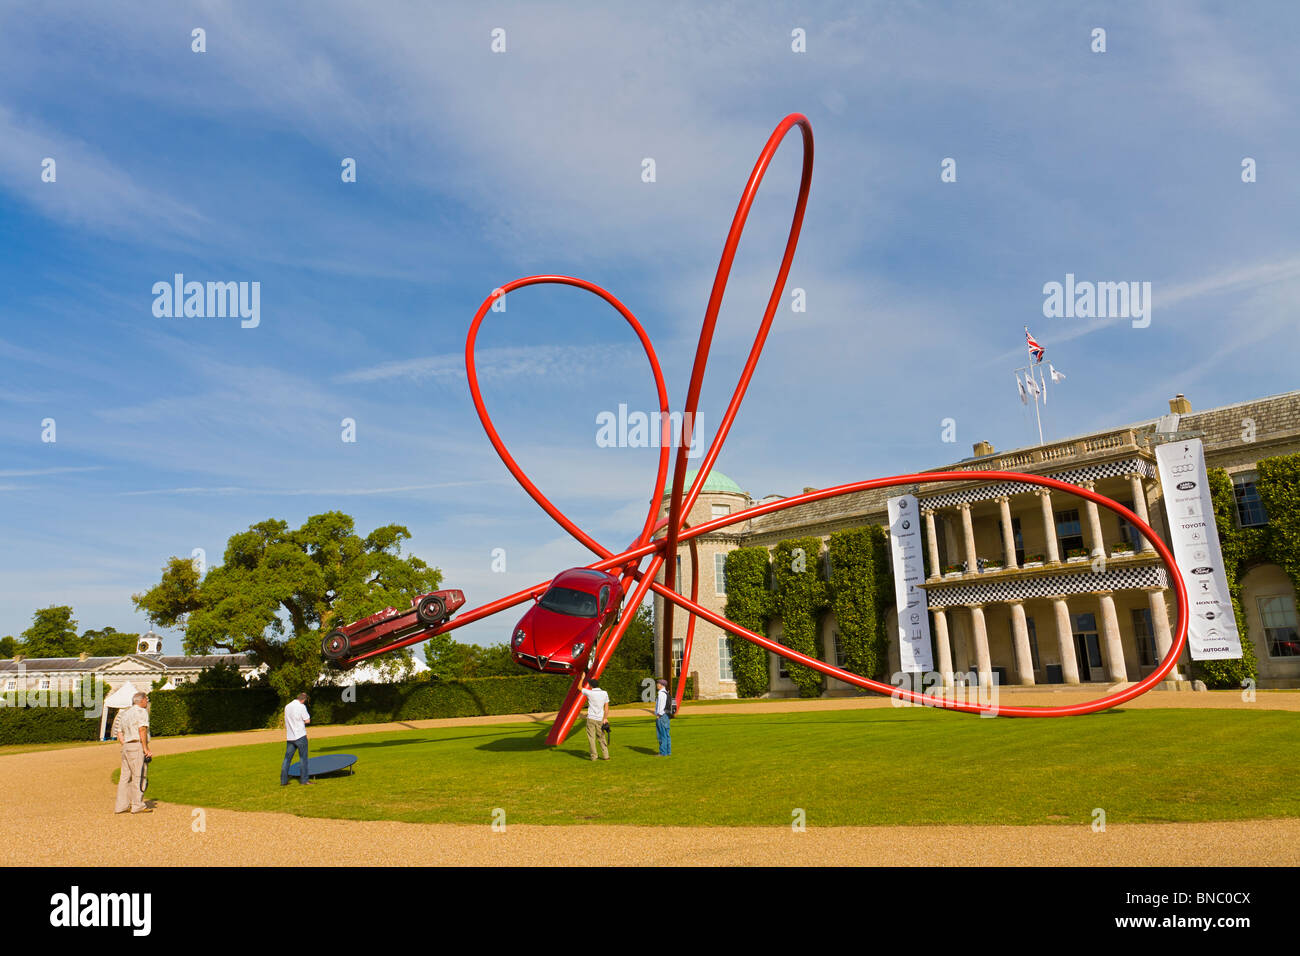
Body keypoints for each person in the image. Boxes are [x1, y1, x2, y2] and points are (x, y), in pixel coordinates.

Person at [114, 691, 153, 813]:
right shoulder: (142, 712)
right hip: (136, 745)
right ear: (141, 700)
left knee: (124, 777)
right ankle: (138, 805)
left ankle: (121, 805)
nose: (147, 701)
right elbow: (142, 729)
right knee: (139, 776)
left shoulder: (125, 713)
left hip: (126, 746)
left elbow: (119, 733)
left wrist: (125, 744)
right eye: (146, 699)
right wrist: (145, 748)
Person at [280, 693, 313, 786]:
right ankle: (304, 780)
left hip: (290, 736)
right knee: (303, 759)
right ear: (304, 700)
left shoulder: (287, 706)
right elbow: (307, 720)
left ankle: (283, 781)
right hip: (300, 735)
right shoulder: (301, 707)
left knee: (287, 759)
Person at [578, 678, 610, 761]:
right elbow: (606, 708)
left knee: (591, 738)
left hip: (591, 718)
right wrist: (605, 718)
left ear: (590, 685)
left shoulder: (590, 692)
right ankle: (606, 756)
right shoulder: (604, 693)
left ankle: (594, 756)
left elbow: (579, 687)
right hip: (600, 719)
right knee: (601, 737)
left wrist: (582, 678)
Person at [654, 679, 671, 756]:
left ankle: (663, 752)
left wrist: (658, 715)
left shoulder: (661, 694)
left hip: (662, 716)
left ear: (662, 685)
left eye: (658, 683)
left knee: (662, 735)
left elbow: (661, 706)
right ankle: (668, 751)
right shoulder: (666, 693)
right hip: (666, 715)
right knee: (667, 734)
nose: (657, 685)